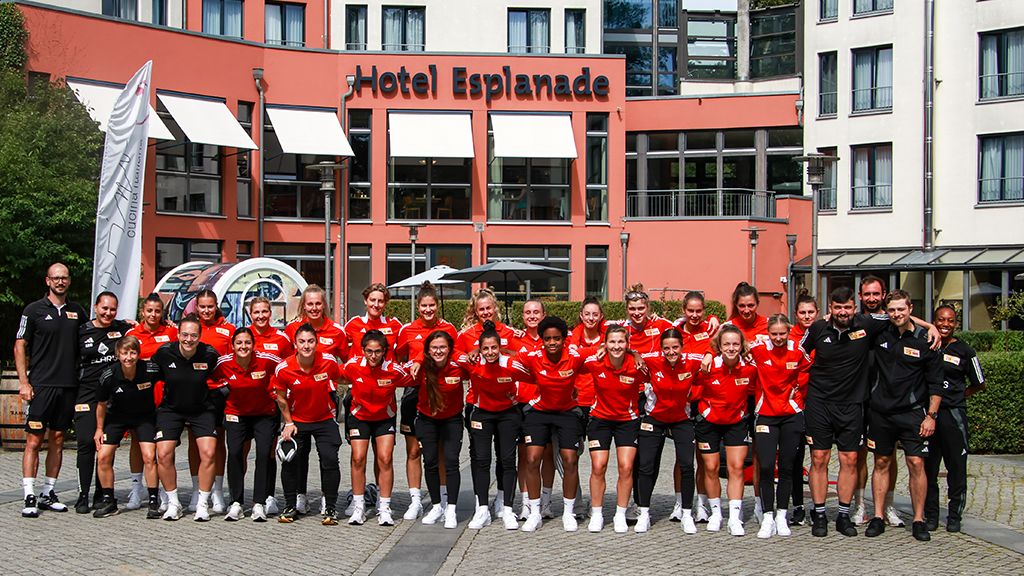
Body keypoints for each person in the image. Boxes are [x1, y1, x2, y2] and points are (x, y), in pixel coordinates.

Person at [799, 286, 938, 538]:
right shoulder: (818, 328)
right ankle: (819, 514)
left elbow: (899, 315)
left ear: (855, 307)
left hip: (852, 404)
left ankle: (843, 515)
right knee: (819, 459)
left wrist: (930, 326)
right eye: (838, 307)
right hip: (820, 403)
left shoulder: (867, 323)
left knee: (849, 461)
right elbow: (796, 354)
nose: (843, 312)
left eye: (848, 307)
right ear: (830, 308)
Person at [864, 290, 943, 542]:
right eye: (892, 310)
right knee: (881, 463)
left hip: (912, 414)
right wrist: (930, 323)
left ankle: (918, 519)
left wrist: (931, 416)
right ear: (887, 312)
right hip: (880, 413)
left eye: (901, 309)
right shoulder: (880, 332)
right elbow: (852, 319)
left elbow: (936, 384)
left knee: (916, 464)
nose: (897, 314)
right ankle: (877, 516)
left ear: (910, 308)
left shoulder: (925, 340)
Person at [15, 262, 87, 517]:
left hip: (68, 386)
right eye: (56, 278)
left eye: (64, 278)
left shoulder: (78, 312)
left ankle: (48, 492)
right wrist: (24, 382)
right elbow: (20, 345)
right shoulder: (33, 310)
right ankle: (29, 494)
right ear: (47, 281)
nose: (60, 282)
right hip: (41, 386)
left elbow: (93, 336)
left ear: (69, 281)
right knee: (34, 440)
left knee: (57, 439)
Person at [512, 316, 586, 532]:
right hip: (539, 412)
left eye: (556, 338)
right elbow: (508, 358)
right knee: (532, 458)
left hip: (567, 412)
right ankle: (535, 512)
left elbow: (605, 351)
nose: (552, 343)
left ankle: (568, 512)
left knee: (570, 460)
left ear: (564, 339)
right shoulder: (533, 357)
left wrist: (634, 353)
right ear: (542, 340)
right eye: (547, 339)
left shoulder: (575, 356)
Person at [395, 282, 458, 520]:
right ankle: (415, 500)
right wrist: (411, 367)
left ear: (437, 306)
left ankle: (441, 499)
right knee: (414, 451)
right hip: (414, 394)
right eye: (424, 306)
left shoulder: (449, 329)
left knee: (441, 451)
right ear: (418, 306)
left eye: (432, 305)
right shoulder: (407, 330)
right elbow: (397, 357)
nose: (428, 309)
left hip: (441, 393)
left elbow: (455, 355)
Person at [284, 284, 348, 514]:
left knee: (328, 457)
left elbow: (348, 365)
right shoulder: (291, 329)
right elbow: (283, 365)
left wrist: (339, 387)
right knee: (298, 457)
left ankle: (326, 500)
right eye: (309, 304)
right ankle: (300, 497)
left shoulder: (337, 331)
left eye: (318, 303)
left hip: (324, 407)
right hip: (297, 407)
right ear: (303, 305)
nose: (314, 308)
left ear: (324, 305)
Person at [273, 323, 344, 526]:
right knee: (289, 459)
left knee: (330, 460)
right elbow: (280, 398)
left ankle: (330, 507)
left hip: (324, 419)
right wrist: (288, 422)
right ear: (295, 344)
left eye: (311, 341)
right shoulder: (284, 368)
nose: (306, 346)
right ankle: (290, 505)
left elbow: (343, 378)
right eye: (302, 341)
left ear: (317, 342)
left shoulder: (328, 362)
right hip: (298, 421)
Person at [151, 314, 220, 521]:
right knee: (163, 453)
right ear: (178, 335)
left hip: (201, 409)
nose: (188, 339)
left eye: (193, 335)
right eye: (184, 335)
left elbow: (222, 378)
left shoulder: (209, 354)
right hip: (171, 409)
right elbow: (148, 375)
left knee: (208, 453)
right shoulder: (164, 353)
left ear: (200, 336)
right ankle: (173, 503)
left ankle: (202, 503)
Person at [748, 314, 811, 538]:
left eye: (782, 334)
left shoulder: (797, 349)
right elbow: (733, 346)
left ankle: (781, 515)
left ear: (788, 331)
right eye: (774, 334)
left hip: (791, 414)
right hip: (765, 414)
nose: (778, 338)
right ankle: (767, 516)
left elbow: (807, 369)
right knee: (765, 466)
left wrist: (798, 390)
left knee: (786, 467)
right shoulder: (757, 348)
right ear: (768, 333)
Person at [342, 330, 412, 526]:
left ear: (385, 352)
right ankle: (358, 506)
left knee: (385, 458)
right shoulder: (353, 366)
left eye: (378, 352)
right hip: (359, 417)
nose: (373, 356)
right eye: (369, 351)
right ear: (363, 350)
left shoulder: (394, 370)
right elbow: (334, 375)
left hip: (384, 419)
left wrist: (419, 363)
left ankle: (384, 507)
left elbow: (416, 376)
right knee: (358, 458)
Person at [692, 325, 757, 536]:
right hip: (709, 422)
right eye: (726, 344)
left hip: (736, 422)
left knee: (736, 468)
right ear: (719, 346)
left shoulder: (749, 368)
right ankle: (716, 513)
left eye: (735, 344)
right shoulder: (708, 366)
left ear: (741, 346)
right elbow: (694, 390)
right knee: (710, 468)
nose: (731, 348)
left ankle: (735, 517)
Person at [458, 321, 523, 530]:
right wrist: (474, 350)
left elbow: (531, 363)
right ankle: (482, 509)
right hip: (481, 414)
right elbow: (447, 353)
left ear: (500, 347)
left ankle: (507, 508)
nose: (490, 352)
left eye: (494, 347)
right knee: (482, 460)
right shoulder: (473, 362)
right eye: (485, 348)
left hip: (508, 414)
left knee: (507, 460)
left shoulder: (511, 363)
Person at [925, 305, 984, 533]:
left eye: (950, 321)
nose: (945, 324)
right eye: (941, 320)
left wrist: (960, 396)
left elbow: (980, 383)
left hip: (954, 415)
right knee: (929, 468)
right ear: (935, 321)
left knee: (956, 467)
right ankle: (931, 515)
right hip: (929, 416)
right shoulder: (929, 345)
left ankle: (954, 515)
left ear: (956, 323)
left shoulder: (965, 351)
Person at [212, 328, 282, 522]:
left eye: (247, 343)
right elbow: (209, 380)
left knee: (262, 454)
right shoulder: (223, 363)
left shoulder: (267, 359)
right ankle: (236, 503)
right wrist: (220, 390)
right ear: (233, 346)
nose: (243, 346)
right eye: (239, 343)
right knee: (234, 453)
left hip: (264, 415)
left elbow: (285, 369)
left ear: (253, 345)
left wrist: (278, 391)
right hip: (236, 415)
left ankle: (259, 503)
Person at [637, 328, 703, 533]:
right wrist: (636, 354)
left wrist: (709, 355)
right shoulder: (653, 360)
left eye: (675, 347)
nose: (671, 352)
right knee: (646, 465)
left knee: (686, 465)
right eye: (667, 348)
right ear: (661, 349)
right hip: (654, 418)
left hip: (681, 419)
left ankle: (686, 513)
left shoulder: (692, 361)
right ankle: (644, 513)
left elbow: (712, 350)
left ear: (682, 347)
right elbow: (629, 350)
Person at [584, 325, 647, 534]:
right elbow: (570, 354)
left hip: (627, 421)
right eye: (612, 342)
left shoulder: (636, 365)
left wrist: (636, 353)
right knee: (598, 466)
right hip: (599, 419)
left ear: (627, 344)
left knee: (626, 467)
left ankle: (620, 513)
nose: (616, 346)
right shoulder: (594, 361)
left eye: (621, 342)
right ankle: (597, 513)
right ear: (605, 344)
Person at [74, 292, 131, 514]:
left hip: (113, 397)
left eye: (112, 309)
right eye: (104, 308)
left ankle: (102, 493)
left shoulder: (123, 329)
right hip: (86, 395)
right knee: (86, 443)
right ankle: (83, 494)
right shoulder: (82, 331)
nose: (108, 313)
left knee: (106, 447)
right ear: (96, 307)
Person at [852, 275, 902, 527]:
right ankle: (860, 505)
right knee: (859, 455)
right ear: (860, 296)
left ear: (883, 295)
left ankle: (888, 505)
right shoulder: (855, 321)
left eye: (876, 294)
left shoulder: (892, 323)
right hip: (858, 397)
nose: (871, 298)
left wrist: (931, 326)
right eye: (867, 294)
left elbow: (906, 317)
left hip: (885, 399)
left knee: (887, 456)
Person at [92, 336, 160, 518]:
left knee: (149, 456)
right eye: (124, 353)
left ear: (138, 354)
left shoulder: (150, 369)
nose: (128, 357)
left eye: (132, 353)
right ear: (117, 355)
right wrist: (99, 429)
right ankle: (108, 500)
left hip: (144, 417)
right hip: (116, 418)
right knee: (103, 456)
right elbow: (101, 404)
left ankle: (154, 501)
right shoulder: (108, 375)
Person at [125, 293, 178, 512]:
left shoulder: (171, 332)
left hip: (165, 398)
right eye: (149, 311)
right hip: (139, 399)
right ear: (142, 312)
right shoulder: (132, 333)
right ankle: (137, 488)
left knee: (165, 448)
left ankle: (166, 489)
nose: (153, 315)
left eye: (157, 311)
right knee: (139, 444)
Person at [411, 330, 465, 529]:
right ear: (427, 350)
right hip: (427, 420)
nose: (438, 351)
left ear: (449, 349)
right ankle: (436, 506)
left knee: (451, 462)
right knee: (431, 462)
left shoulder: (458, 366)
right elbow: (398, 375)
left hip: (452, 420)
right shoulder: (421, 367)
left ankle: (451, 508)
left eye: (442, 347)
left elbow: (480, 367)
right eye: (434, 347)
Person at [675, 291, 719, 522]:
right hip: (680, 402)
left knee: (702, 457)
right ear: (684, 310)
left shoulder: (711, 332)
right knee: (682, 459)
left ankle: (702, 504)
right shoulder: (675, 332)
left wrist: (714, 318)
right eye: (690, 310)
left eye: (699, 311)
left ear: (704, 311)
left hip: (702, 402)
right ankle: (679, 503)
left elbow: (730, 331)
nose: (694, 315)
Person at [511, 300, 557, 521]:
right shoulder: (515, 339)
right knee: (526, 457)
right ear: (522, 316)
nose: (532, 316)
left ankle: (546, 502)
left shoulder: (551, 340)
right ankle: (526, 503)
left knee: (547, 455)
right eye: (528, 312)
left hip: (546, 405)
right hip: (522, 405)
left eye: (536, 312)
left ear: (543, 315)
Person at [247, 296, 292, 516]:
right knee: (240, 452)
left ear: (270, 313)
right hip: (245, 406)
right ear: (250, 314)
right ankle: (240, 498)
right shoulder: (243, 336)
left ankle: (269, 496)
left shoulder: (281, 339)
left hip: (270, 406)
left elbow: (289, 368)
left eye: (264, 312)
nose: (261, 316)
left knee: (268, 453)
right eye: (256, 312)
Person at [191, 290, 235, 515]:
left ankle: (217, 490)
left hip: (219, 393)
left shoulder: (228, 330)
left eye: (210, 306)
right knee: (194, 443)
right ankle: (196, 490)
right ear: (196, 307)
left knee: (218, 442)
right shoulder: (190, 328)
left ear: (216, 305)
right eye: (202, 307)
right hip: (194, 393)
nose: (206, 311)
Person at [784, 292, 819, 526]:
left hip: (817, 404)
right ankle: (797, 505)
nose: (807, 316)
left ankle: (818, 506)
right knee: (794, 459)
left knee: (819, 457)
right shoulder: (788, 336)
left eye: (811, 312)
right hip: (794, 404)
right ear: (796, 314)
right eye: (802, 312)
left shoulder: (823, 332)